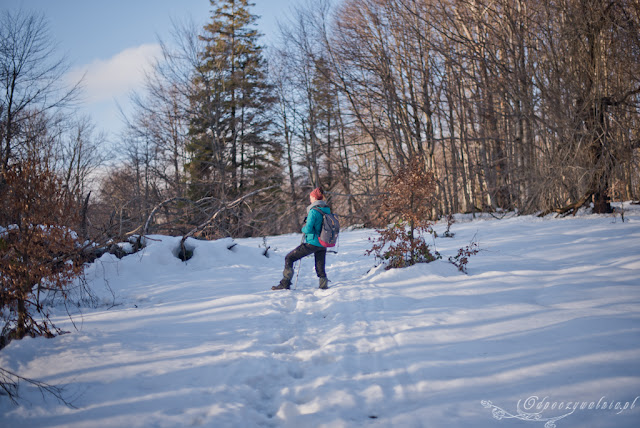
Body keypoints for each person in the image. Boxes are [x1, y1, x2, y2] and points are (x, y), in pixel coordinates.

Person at [272, 187, 331, 290]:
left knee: (289, 258)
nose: (310, 199)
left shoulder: (313, 211)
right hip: (323, 242)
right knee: (320, 263)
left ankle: (285, 283)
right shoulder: (326, 209)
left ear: (314, 198)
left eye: (311, 197)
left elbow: (308, 229)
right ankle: (323, 284)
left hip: (312, 242)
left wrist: (303, 228)